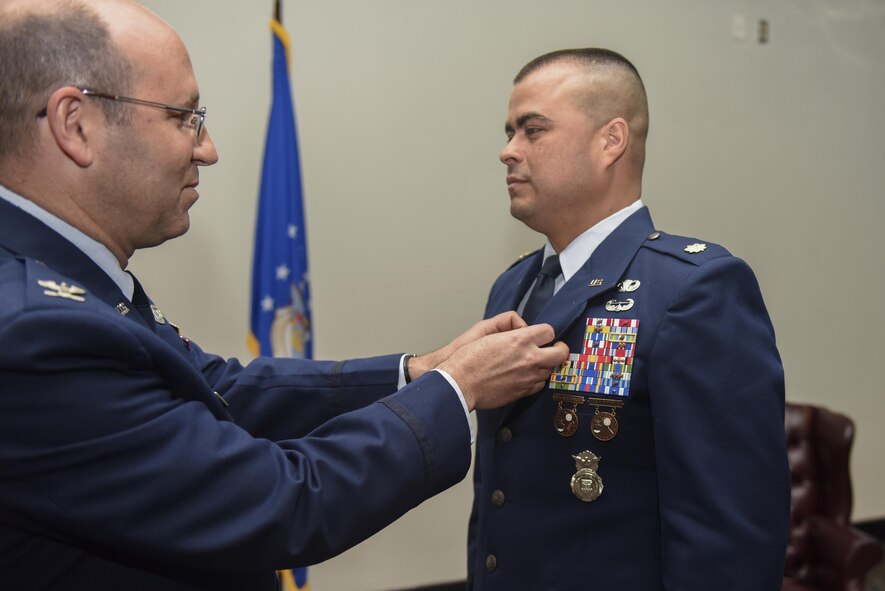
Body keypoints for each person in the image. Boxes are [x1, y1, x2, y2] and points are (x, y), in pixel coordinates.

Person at [0, 1, 570, 589]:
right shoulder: (33, 334)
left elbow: (221, 392)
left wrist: (421, 371)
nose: (208, 148)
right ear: (76, 125)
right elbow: (277, 500)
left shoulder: (66, 280)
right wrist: (459, 389)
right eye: (183, 117)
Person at [467, 48, 791, 590]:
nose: (507, 151)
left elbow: (729, 537)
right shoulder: (515, 286)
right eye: (509, 131)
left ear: (610, 141)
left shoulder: (694, 289)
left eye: (532, 130)